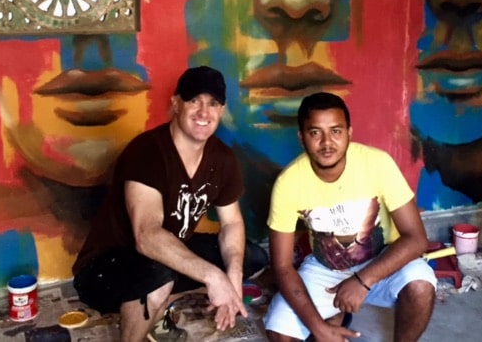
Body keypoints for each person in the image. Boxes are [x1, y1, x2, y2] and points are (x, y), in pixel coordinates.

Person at [72, 65, 268, 341]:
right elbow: (147, 237)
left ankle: (158, 306)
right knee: (158, 274)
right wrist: (213, 277)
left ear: (221, 111)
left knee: (252, 258)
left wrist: (232, 276)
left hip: (168, 251)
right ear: (176, 104)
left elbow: (232, 222)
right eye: (194, 101)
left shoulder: (222, 158)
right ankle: (143, 317)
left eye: (213, 104)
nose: (204, 113)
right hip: (105, 267)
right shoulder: (147, 151)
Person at [263, 92, 436, 342]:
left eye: (336, 131)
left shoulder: (377, 163)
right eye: (315, 133)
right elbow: (281, 266)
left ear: (349, 133)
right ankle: (333, 317)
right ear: (301, 138)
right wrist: (319, 330)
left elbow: (416, 239)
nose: (327, 142)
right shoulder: (288, 183)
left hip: (382, 261)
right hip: (326, 268)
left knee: (420, 284)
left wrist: (362, 281)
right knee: (279, 334)